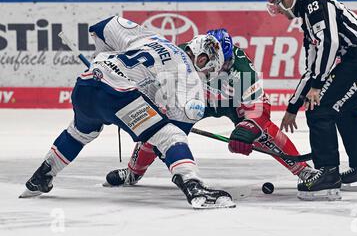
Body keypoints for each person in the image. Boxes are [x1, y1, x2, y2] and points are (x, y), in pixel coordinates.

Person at [20, 16, 235, 209]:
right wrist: (160, 119)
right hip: (118, 97)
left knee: (79, 132)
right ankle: (193, 186)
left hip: (85, 84)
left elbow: (104, 26)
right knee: (171, 136)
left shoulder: (153, 38)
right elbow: (171, 140)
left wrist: (100, 59)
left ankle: (41, 177)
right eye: (208, 69)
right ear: (202, 59)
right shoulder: (191, 78)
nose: (205, 74)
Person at [104, 28, 318, 188]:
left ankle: (303, 171)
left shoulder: (241, 68)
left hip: (231, 103)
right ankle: (133, 172)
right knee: (156, 127)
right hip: (193, 99)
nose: (224, 67)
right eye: (221, 64)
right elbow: (151, 82)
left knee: (264, 133)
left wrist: (248, 128)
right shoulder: (177, 55)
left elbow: (259, 109)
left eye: (226, 64)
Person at [266, 0, 357, 201]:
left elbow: (330, 43)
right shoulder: (308, 23)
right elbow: (312, 69)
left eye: (277, 2)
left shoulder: (314, 3)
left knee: (319, 108)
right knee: (344, 110)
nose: (277, 10)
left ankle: (327, 174)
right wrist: (292, 107)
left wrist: (316, 87)